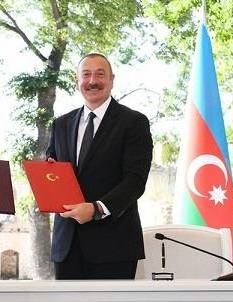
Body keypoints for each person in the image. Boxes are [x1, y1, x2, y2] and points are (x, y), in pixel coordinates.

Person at [46, 52, 153, 280]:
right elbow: (51, 165)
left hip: (114, 247)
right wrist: (48, 179)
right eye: (86, 74)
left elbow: (135, 181)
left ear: (112, 80)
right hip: (66, 246)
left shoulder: (134, 123)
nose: (92, 81)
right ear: (77, 82)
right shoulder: (61, 124)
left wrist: (96, 209)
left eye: (100, 74)